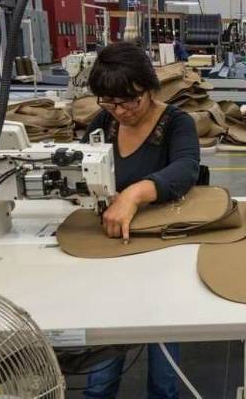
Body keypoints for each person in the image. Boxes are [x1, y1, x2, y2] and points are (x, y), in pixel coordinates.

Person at [82, 41, 200, 399]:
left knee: (163, 372)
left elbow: (186, 169)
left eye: (130, 100)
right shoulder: (104, 121)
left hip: (162, 253)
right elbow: (82, 162)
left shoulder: (177, 123)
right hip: (112, 251)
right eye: (110, 102)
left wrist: (133, 195)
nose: (120, 111)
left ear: (150, 88)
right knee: (101, 373)